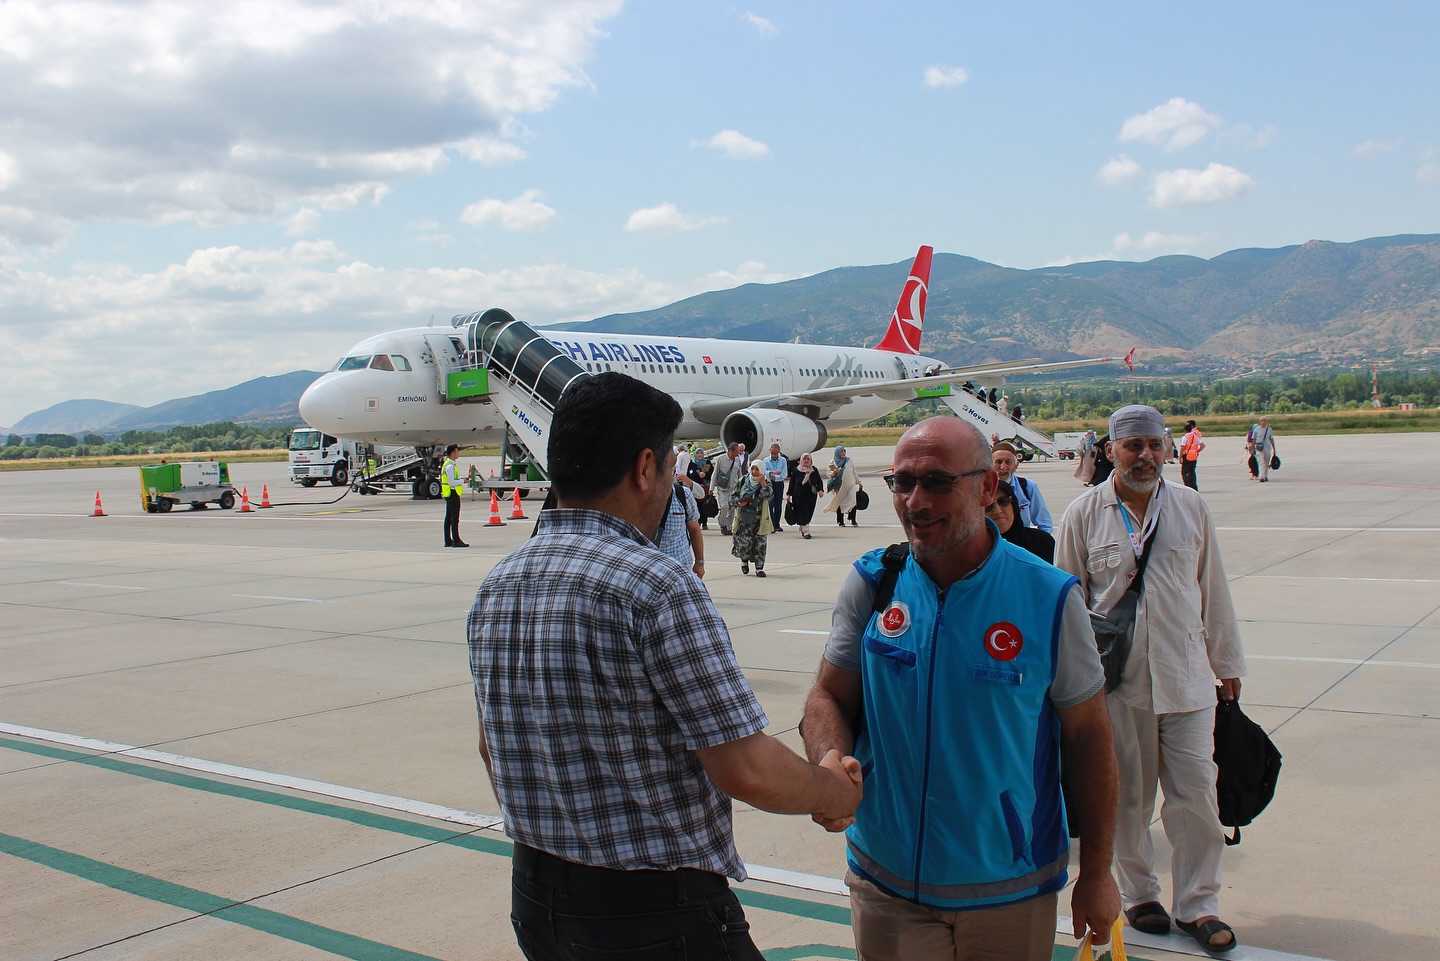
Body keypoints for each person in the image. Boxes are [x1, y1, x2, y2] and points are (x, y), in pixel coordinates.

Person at [468, 372, 862, 960]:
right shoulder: (656, 584)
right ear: (645, 466)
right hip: (656, 917)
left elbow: (489, 749)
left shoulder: (499, 584)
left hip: (538, 903)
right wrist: (830, 789)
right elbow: (745, 767)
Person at [802, 416, 1119, 961]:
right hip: (887, 879)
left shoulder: (1048, 597)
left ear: (987, 487)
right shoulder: (874, 582)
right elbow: (827, 696)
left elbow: (1089, 737)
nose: (915, 502)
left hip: (1009, 887)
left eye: (938, 482)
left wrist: (1097, 872)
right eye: (902, 482)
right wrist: (830, 760)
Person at [1054, 404, 1247, 954]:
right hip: (1117, 685)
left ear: (1166, 448)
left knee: (1196, 797)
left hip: (1187, 678)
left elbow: (1214, 588)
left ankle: (1199, 905)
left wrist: (1226, 663)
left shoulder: (1190, 508)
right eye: (1132, 445)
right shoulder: (1084, 513)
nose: (1145, 456)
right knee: (1128, 800)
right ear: (1110, 450)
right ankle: (1140, 895)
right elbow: (1068, 604)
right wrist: (1073, 687)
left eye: (1154, 445)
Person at [987, 479, 1055, 563]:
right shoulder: (973, 552)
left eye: (1003, 501)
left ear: (1013, 504)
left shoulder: (1042, 543)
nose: (997, 510)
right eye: (988, 505)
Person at [992, 442, 1053, 533]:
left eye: (1008, 462)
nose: (1003, 467)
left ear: (1016, 466)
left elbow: (1044, 523)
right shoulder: (981, 488)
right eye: (998, 462)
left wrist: (1041, 543)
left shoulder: (1028, 487)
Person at [655, 477, 705, 579]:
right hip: (651, 569)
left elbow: (694, 529)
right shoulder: (638, 496)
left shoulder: (682, 494)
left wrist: (699, 562)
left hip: (680, 568)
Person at [731, 462, 775, 576]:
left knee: (760, 544)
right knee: (744, 544)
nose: (754, 472)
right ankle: (744, 561)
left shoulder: (766, 482)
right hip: (744, 519)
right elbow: (732, 497)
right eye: (753, 469)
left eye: (757, 469)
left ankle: (759, 568)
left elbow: (768, 495)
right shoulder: (742, 481)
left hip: (759, 519)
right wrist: (739, 502)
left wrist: (763, 483)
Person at [786, 451, 826, 539]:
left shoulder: (814, 470)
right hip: (799, 496)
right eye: (804, 459)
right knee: (801, 513)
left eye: (808, 459)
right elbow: (792, 483)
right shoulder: (796, 470)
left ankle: (803, 527)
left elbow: (819, 481)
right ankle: (806, 531)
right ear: (801, 460)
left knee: (808, 513)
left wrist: (820, 490)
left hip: (811, 496)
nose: (806, 460)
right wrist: (789, 494)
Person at [824, 445, 860, 527]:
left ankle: (853, 519)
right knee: (840, 502)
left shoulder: (849, 460)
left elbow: (854, 472)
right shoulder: (832, 462)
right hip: (839, 486)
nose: (843, 453)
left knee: (853, 501)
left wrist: (859, 482)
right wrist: (835, 472)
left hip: (850, 484)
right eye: (841, 451)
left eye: (844, 451)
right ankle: (841, 521)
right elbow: (829, 474)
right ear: (837, 453)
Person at [711, 442, 741, 536]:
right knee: (724, 507)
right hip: (722, 488)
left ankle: (728, 528)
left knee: (732, 509)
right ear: (730, 451)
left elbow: (739, 474)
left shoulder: (737, 460)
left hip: (733, 488)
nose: (738, 453)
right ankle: (722, 524)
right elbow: (715, 473)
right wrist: (711, 488)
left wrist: (741, 487)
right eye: (736, 451)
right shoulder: (721, 459)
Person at [441, 444, 467, 548]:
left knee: (448, 517)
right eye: (457, 451)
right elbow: (451, 482)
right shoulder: (450, 466)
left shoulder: (447, 464)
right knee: (454, 518)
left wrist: (460, 478)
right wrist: (462, 481)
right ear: (453, 452)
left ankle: (448, 540)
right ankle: (456, 540)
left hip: (448, 493)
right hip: (452, 493)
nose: (458, 453)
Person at [763, 442, 789, 532]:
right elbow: (764, 472)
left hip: (778, 483)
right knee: (770, 504)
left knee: (778, 504)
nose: (773, 455)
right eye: (772, 453)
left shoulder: (783, 460)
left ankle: (776, 524)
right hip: (769, 483)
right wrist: (771, 473)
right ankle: (771, 524)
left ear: (778, 452)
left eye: (775, 453)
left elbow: (784, 474)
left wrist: (776, 477)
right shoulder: (766, 460)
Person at [1179, 419, 1204, 490]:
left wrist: (1180, 457)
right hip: (1194, 456)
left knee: (1184, 472)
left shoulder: (1185, 437)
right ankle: (1194, 487)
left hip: (1186, 456)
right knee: (1192, 472)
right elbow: (1203, 445)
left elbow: (1182, 447)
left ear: (1185, 430)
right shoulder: (1195, 436)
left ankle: (1187, 486)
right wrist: (1197, 451)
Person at [1253, 416, 1277, 482]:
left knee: (1266, 463)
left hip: (1267, 448)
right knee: (1262, 462)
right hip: (1259, 448)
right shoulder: (1256, 429)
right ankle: (1262, 476)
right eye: (1262, 420)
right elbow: (1254, 439)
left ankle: (1265, 475)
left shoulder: (1269, 429)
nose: (1263, 422)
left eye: (1264, 420)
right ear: (1260, 422)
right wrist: (1252, 448)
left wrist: (1274, 448)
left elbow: (1271, 439)